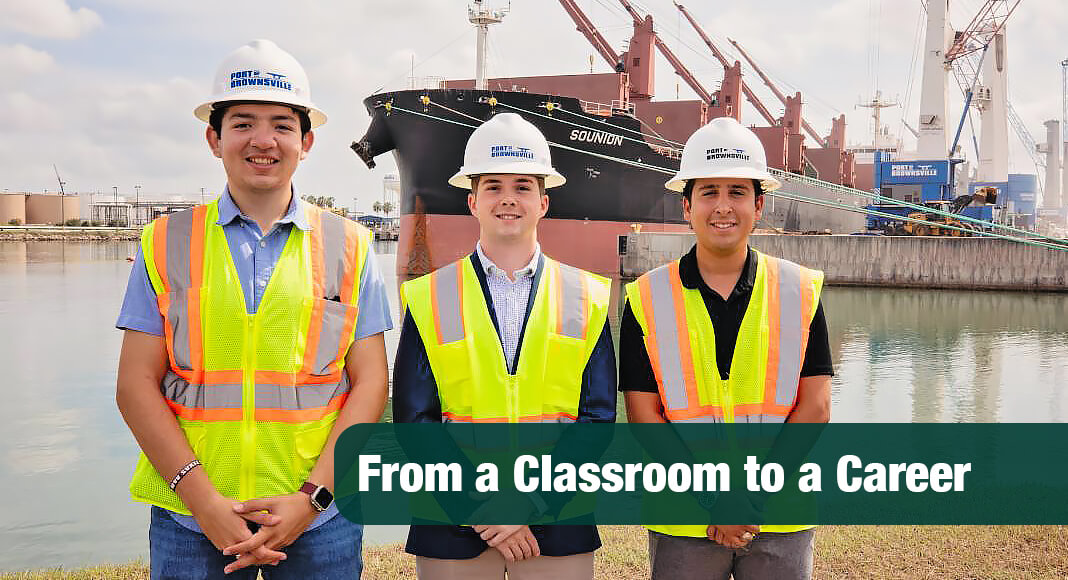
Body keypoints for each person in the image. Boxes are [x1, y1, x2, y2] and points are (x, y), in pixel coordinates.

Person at [114, 39, 391, 579]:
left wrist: (312, 497)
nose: (263, 140)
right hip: (190, 517)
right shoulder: (165, 242)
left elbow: (372, 384)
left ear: (306, 142)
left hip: (321, 514)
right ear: (213, 139)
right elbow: (133, 385)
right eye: (242, 123)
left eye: (282, 126)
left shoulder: (351, 247)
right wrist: (205, 502)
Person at [392, 112, 617, 579]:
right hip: (453, 521)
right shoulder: (429, 295)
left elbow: (596, 418)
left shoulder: (587, 295)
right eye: (493, 186)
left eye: (522, 186)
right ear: (472, 201)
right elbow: (414, 419)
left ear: (544, 202)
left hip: (556, 522)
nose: (508, 198)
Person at [619, 116, 833, 579]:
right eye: (709, 192)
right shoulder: (646, 298)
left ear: (759, 206)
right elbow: (642, 414)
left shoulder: (799, 291)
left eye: (737, 193)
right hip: (684, 517)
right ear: (685, 205)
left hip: (779, 514)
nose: (723, 207)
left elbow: (815, 406)